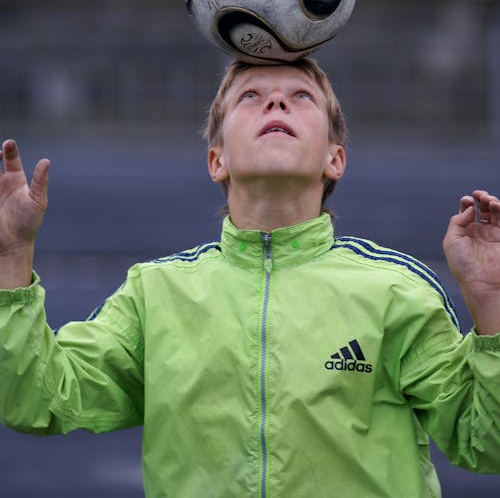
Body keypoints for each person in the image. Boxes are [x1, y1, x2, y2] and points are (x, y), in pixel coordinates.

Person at [0, 56, 499, 498]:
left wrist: (492, 302)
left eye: (300, 96)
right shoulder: (154, 295)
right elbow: (38, 397)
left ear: (335, 158)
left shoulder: (396, 292)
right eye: (251, 97)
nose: (276, 103)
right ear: (217, 160)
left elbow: (487, 444)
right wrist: (12, 253)